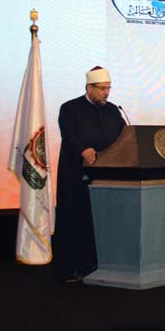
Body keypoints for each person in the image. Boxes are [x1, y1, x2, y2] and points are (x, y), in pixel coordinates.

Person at [55, 66, 125, 282]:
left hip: (107, 177)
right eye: (102, 88)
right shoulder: (70, 108)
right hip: (77, 176)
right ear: (89, 88)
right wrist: (83, 150)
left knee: (103, 222)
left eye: (109, 88)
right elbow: (69, 135)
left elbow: (124, 137)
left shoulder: (113, 111)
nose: (106, 93)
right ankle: (74, 268)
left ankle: (101, 265)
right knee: (76, 220)